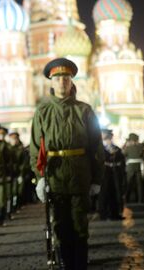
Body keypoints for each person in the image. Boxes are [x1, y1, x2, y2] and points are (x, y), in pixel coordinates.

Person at [30, 58, 104, 269]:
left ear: (71, 82)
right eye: (57, 77)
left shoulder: (85, 110)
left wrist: (97, 178)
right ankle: (66, 264)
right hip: (54, 176)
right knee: (60, 225)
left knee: (80, 225)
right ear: (51, 82)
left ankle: (79, 265)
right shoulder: (43, 111)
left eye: (66, 77)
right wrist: (39, 179)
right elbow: (36, 148)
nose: (62, 81)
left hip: (80, 174)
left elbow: (96, 146)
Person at [98, 129, 125, 220]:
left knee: (115, 193)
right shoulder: (100, 148)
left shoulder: (116, 149)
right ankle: (104, 213)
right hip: (104, 173)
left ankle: (114, 213)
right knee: (104, 193)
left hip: (115, 173)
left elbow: (122, 161)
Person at [124, 133, 144, 203]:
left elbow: (124, 154)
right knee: (139, 184)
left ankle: (127, 199)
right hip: (138, 166)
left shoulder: (128, 147)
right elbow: (143, 156)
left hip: (130, 167)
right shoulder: (140, 147)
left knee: (129, 183)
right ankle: (140, 199)